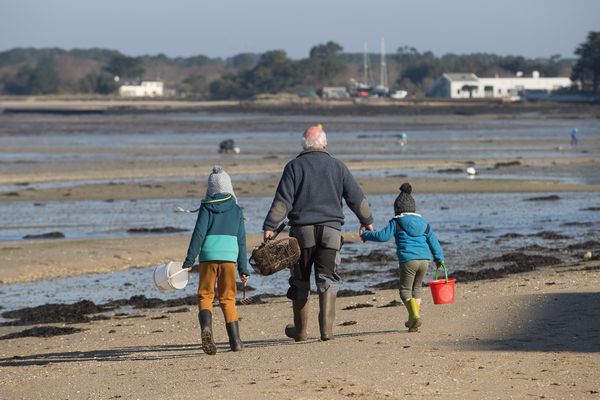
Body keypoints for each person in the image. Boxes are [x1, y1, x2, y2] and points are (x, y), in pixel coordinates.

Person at [263, 125, 374, 341]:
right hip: (331, 232)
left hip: (302, 233)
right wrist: (367, 221)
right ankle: (326, 331)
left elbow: (282, 202)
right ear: (324, 143)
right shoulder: (337, 166)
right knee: (328, 279)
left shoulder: (294, 167)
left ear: (304, 145)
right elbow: (356, 197)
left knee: (300, 280)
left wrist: (270, 226)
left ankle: (301, 332)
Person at [182, 165, 250, 355]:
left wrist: (189, 260)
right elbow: (242, 241)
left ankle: (207, 329)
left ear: (210, 188)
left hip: (208, 257)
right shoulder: (236, 210)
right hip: (229, 258)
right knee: (228, 298)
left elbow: (198, 234)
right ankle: (236, 342)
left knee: (205, 295)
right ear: (229, 186)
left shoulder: (206, 207)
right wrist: (244, 269)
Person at [361, 182, 444, 332]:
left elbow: (382, 236)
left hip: (408, 260)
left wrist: (366, 235)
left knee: (405, 290)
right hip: (425, 261)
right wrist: (439, 259)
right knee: (417, 288)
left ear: (397, 210)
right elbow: (434, 243)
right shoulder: (424, 224)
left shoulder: (397, 222)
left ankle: (414, 316)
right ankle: (413, 322)